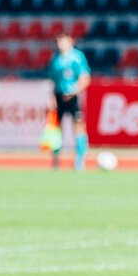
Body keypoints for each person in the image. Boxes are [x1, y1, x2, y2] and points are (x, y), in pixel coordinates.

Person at [48, 33, 90, 172]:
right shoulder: (55, 58)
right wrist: (51, 98)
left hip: (73, 97)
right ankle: (55, 161)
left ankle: (80, 160)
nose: (61, 44)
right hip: (59, 96)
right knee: (56, 129)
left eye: (63, 41)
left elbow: (85, 78)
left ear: (71, 42)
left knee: (78, 126)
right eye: (59, 42)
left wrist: (75, 91)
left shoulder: (77, 57)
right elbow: (53, 81)